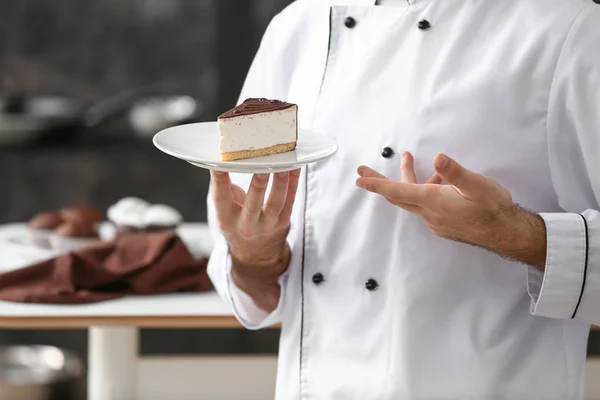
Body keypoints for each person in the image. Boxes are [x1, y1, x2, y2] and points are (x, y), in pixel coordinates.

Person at [207, 0, 600, 398]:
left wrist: (515, 234)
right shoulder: (296, 27)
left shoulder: (569, 28)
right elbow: (252, 288)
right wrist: (254, 254)